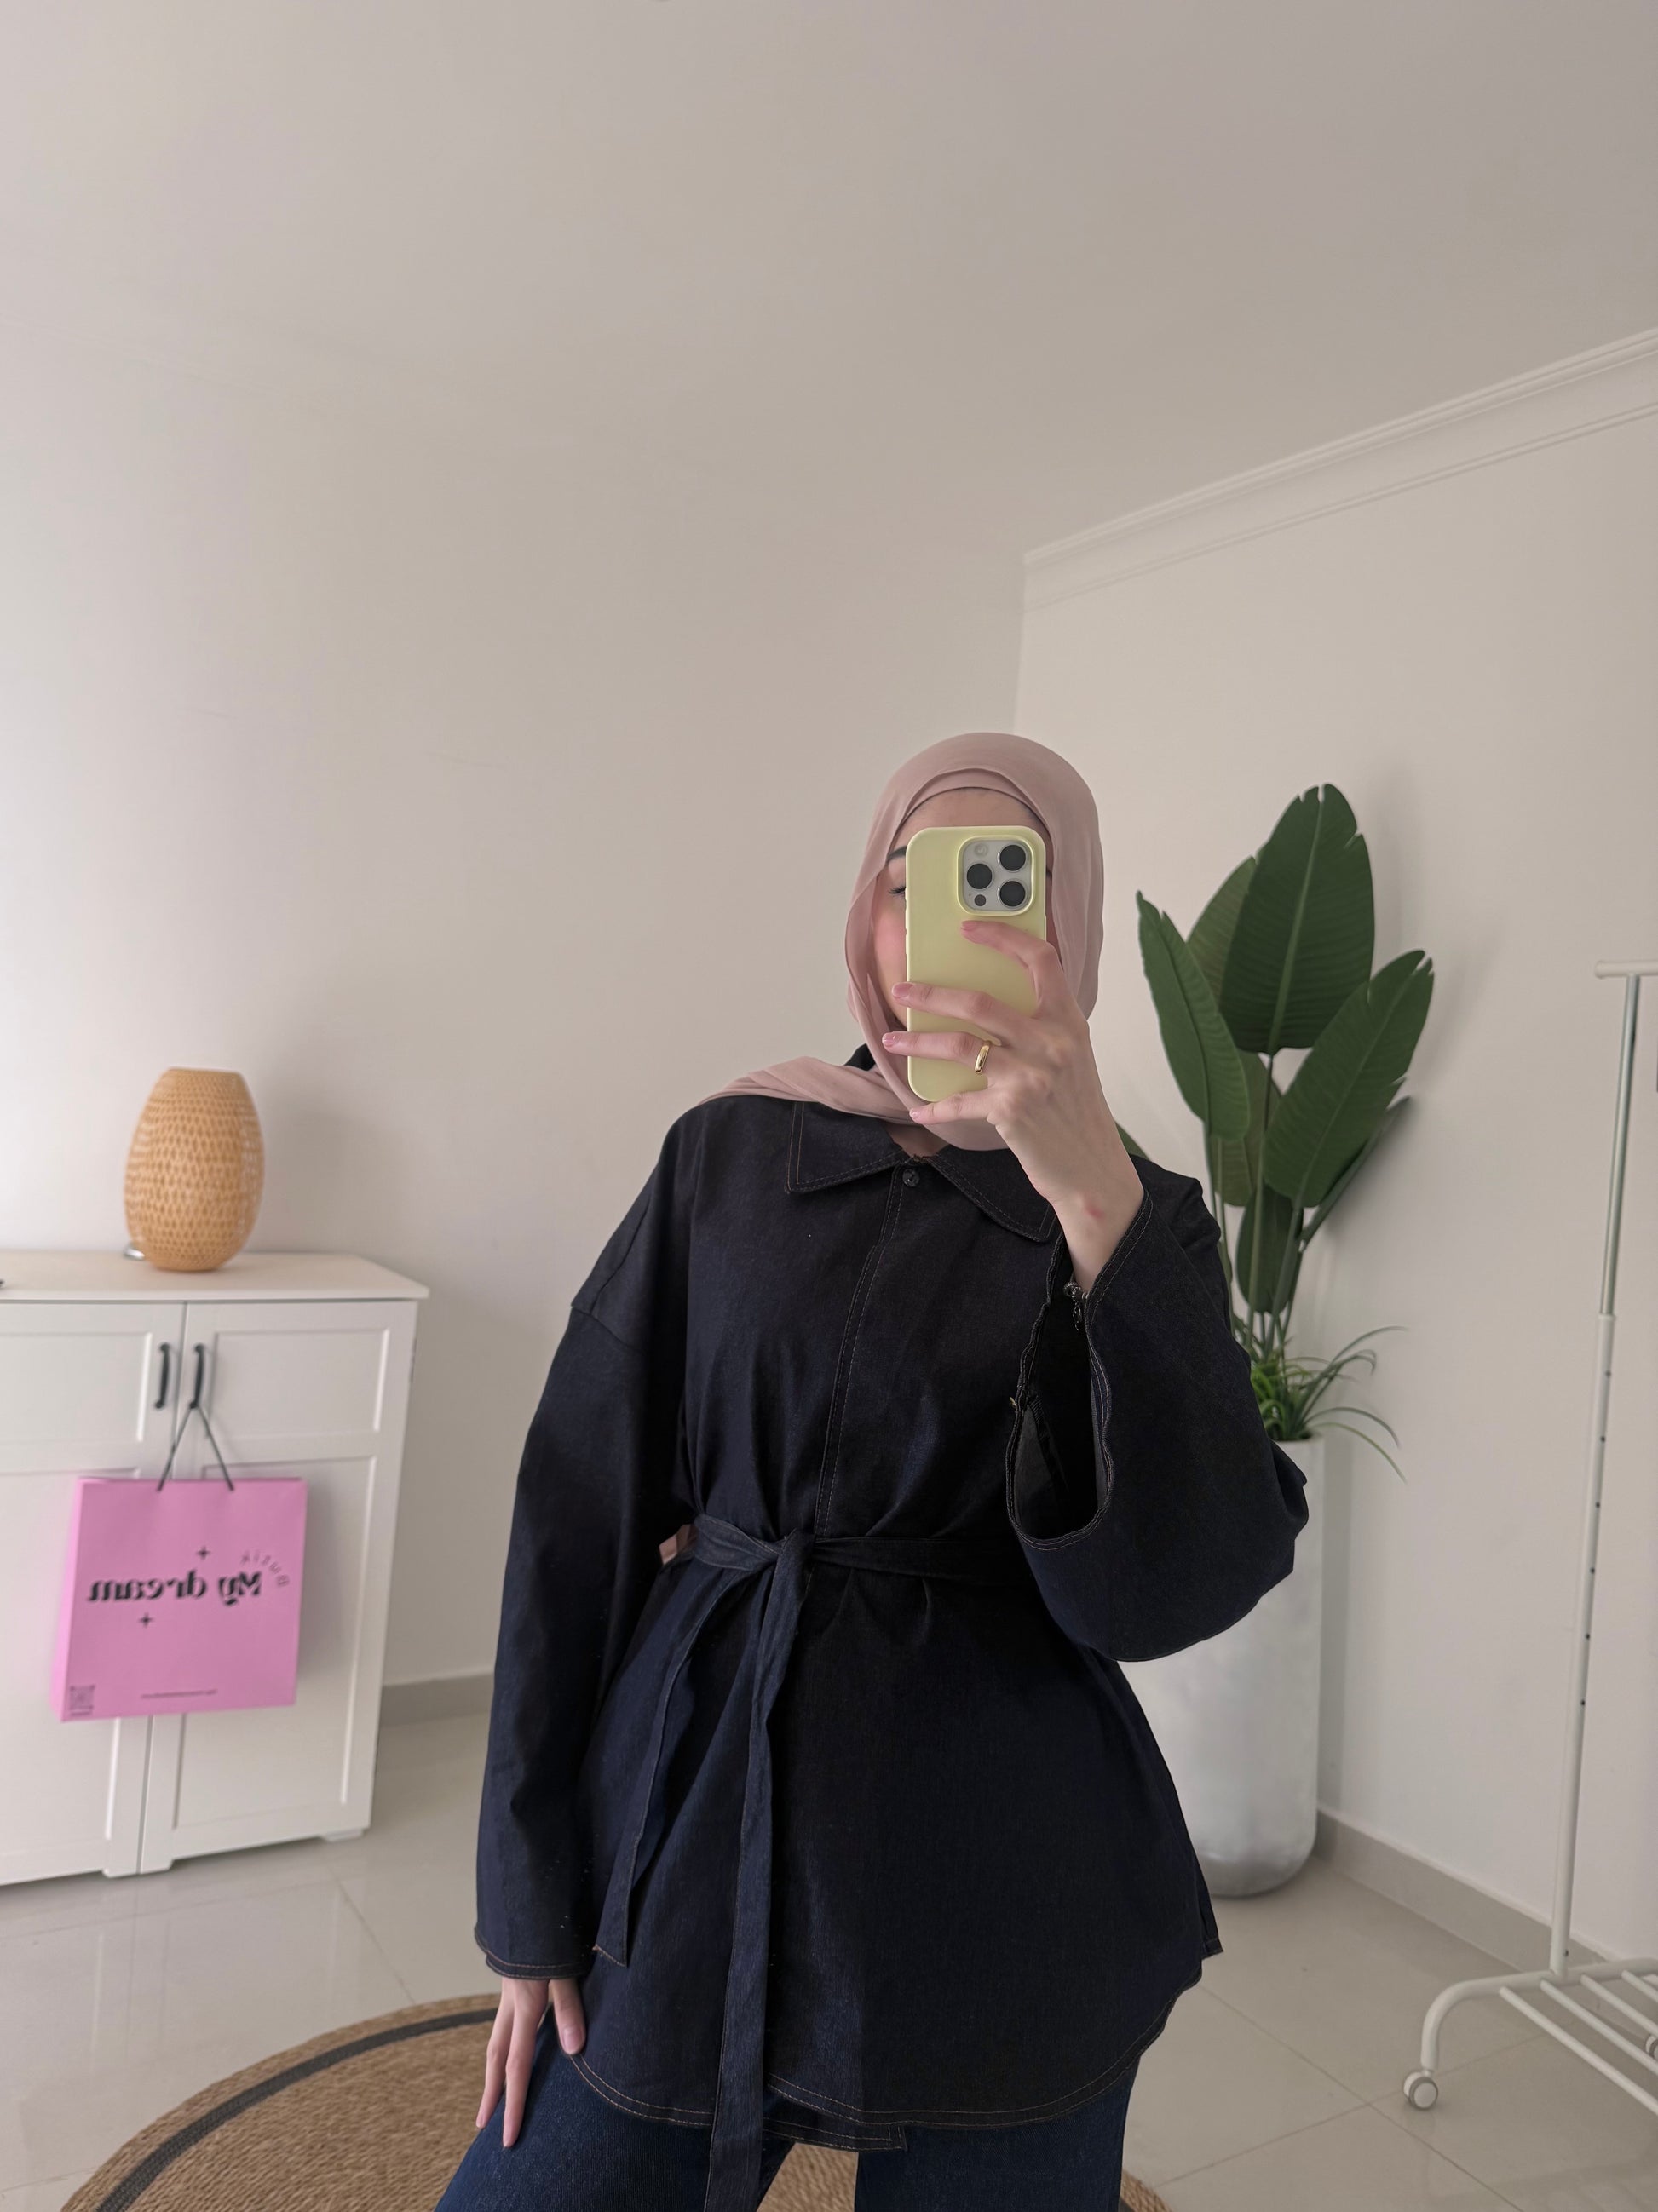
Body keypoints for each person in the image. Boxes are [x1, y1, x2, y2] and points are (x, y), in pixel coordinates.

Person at [435, 731, 1310, 2212]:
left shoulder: (1135, 1212)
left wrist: (1090, 1204)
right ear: (865, 915)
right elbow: (575, 1519)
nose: (938, 928)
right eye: (911, 882)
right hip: (690, 1818)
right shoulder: (728, 1153)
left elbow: (1173, 1586)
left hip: (1006, 1868)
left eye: (996, 883)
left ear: (1065, 927)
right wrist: (527, 1898)